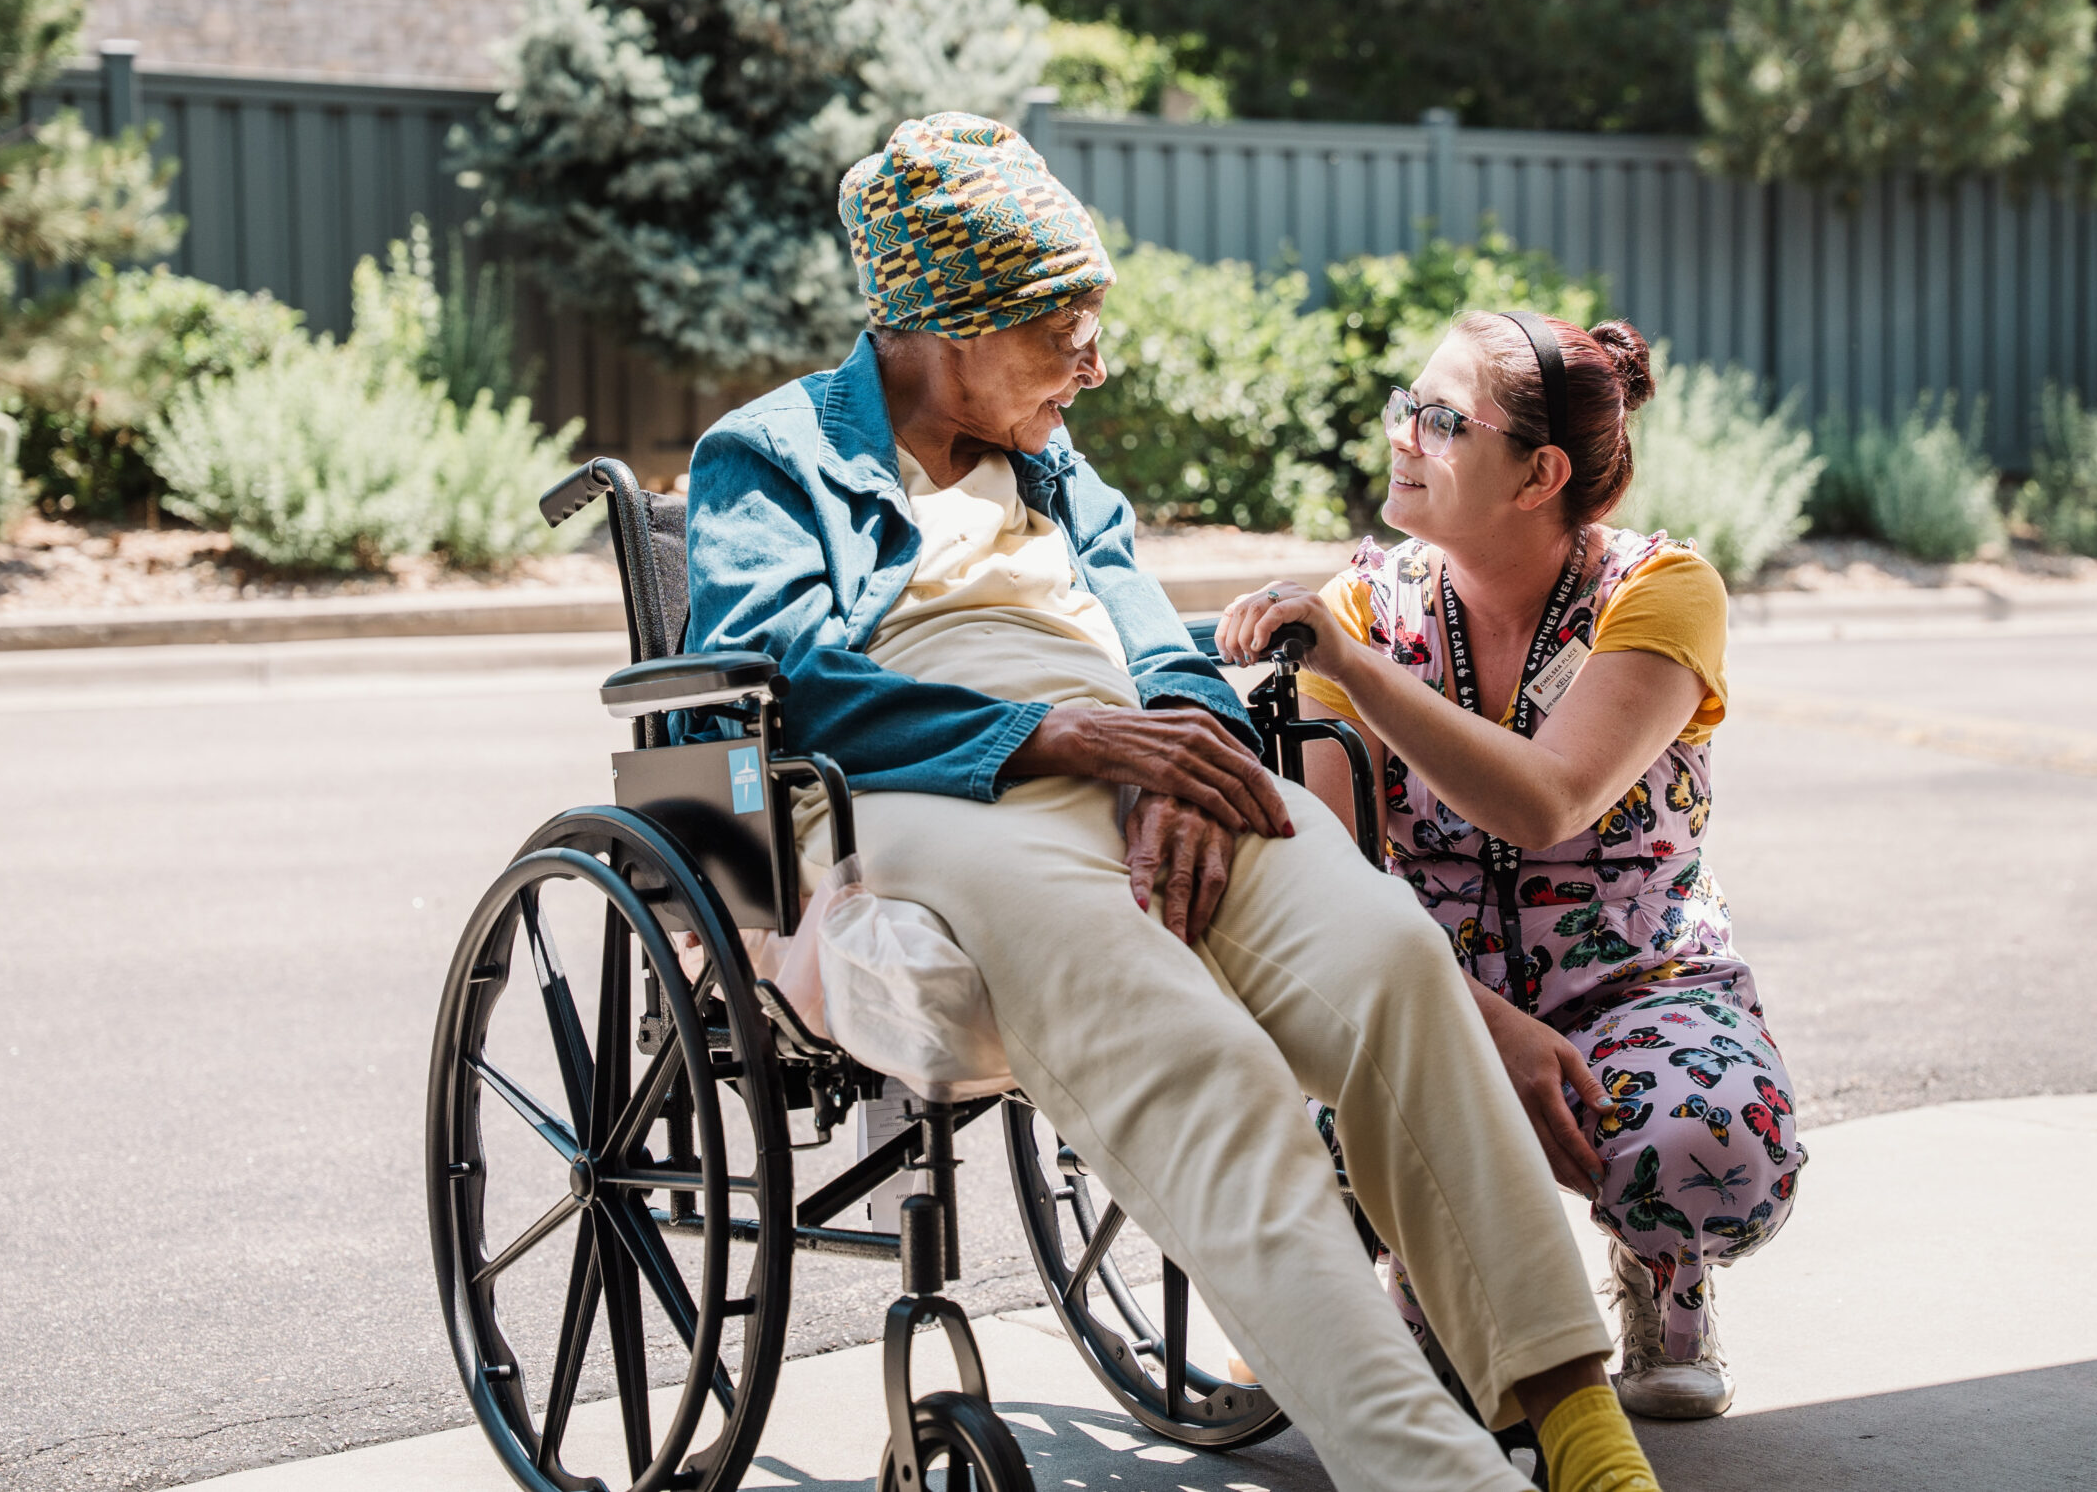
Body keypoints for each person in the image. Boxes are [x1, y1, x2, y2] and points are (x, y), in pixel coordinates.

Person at [682, 113, 1661, 1492]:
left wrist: (1188, 744)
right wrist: (1057, 732)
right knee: (1206, 1062)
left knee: (1389, 957)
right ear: (950, 325)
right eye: (1067, 325)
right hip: (922, 788)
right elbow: (783, 676)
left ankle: (1578, 1422)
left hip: (1138, 752)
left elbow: (1152, 630)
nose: (1099, 358)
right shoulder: (770, 454)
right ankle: (1439, 1474)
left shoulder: (1054, 463)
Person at [1216, 308, 1804, 1421]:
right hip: (1430, 990)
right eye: (1406, 407)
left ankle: (1661, 1272)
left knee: (1704, 1140)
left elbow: (1545, 801)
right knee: (1279, 1141)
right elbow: (1336, 877)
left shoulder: (1661, 593)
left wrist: (1351, 669)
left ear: (1539, 474)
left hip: (1641, 980)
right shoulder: (1365, 608)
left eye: (1438, 421)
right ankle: (1426, 1277)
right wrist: (1483, 1025)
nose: (1401, 437)